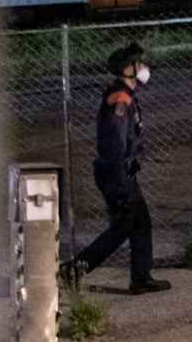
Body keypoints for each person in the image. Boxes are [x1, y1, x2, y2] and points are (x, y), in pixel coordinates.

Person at [63, 42, 171, 295]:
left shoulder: (125, 95)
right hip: (116, 172)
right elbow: (114, 143)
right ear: (128, 70)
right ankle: (76, 269)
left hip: (121, 171)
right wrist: (121, 178)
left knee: (139, 223)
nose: (144, 67)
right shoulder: (120, 99)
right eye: (139, 63)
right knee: (124, 226)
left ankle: (141, 278)